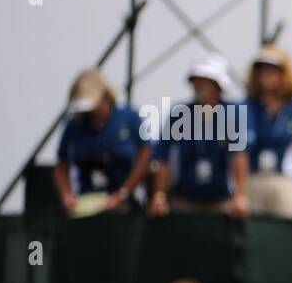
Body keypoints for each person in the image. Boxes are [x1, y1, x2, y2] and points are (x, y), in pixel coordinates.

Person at [148, 54, 250, 218]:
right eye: (196, 79)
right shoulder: (179, 114)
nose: (200, 85)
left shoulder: (232, 114)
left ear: (219, 85)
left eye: (207, 80)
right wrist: (159, 195)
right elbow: (163, 157)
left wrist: (240, 196)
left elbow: (239, 156)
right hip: (183, 199)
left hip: (221, 201)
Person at [53, 69, 152, 216]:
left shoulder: (130, 118)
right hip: (86, 204)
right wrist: (67, 194)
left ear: (104, 97)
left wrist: (123, 194)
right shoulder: (74, 124)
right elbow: (61, 163)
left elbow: (145, 156)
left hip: (126, 207)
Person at [244, 45, 292, 228]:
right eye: (261, 69)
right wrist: (239, 194)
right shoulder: (248, 106)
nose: (266, 74)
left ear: (284, 74)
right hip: (254, 179)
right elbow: (239, 153)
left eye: (272, 69)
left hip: (285, 181)